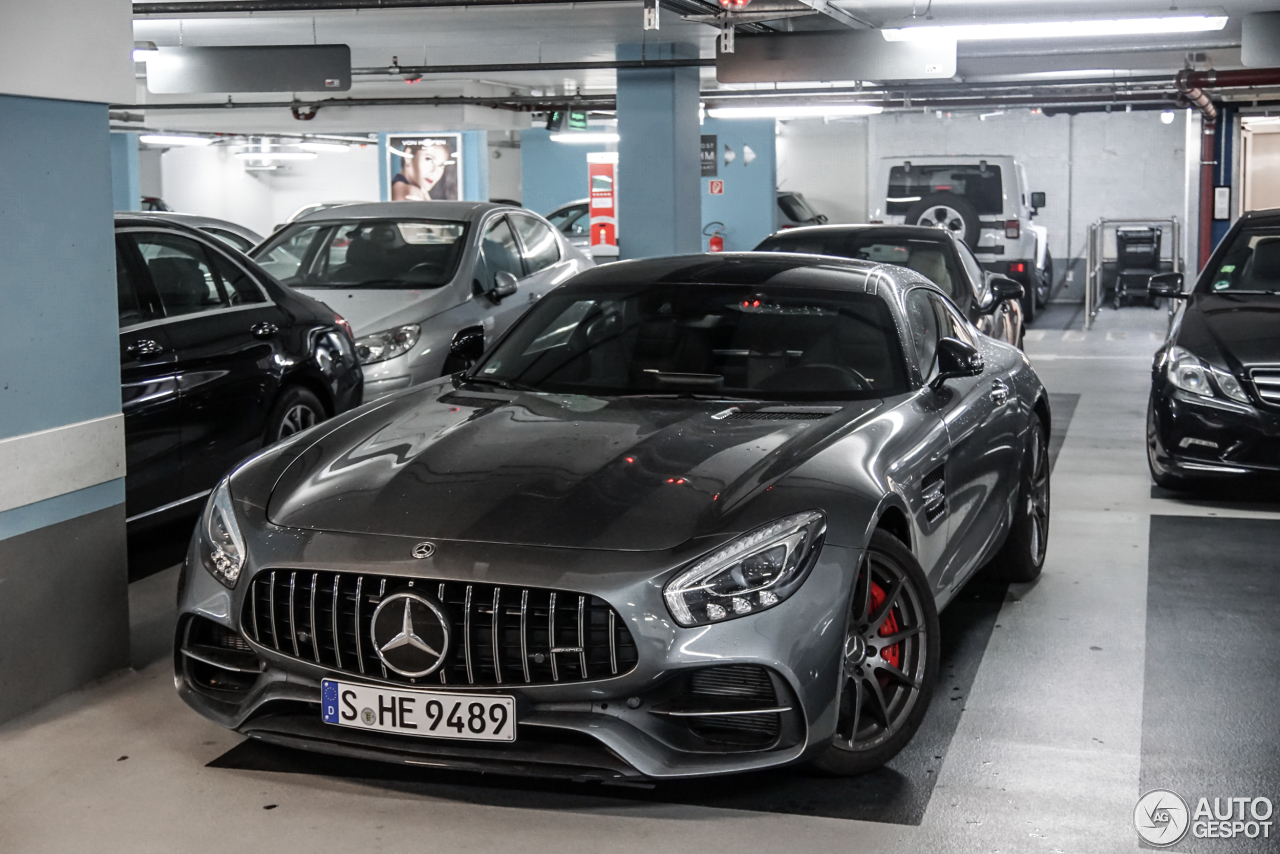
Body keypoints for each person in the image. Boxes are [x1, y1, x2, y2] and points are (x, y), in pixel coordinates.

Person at [391, 141, 456, 200]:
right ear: (408, 155)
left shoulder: (396, 186)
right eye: (429, 159)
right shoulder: (411, 193)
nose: (434, 172)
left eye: (441, 165)